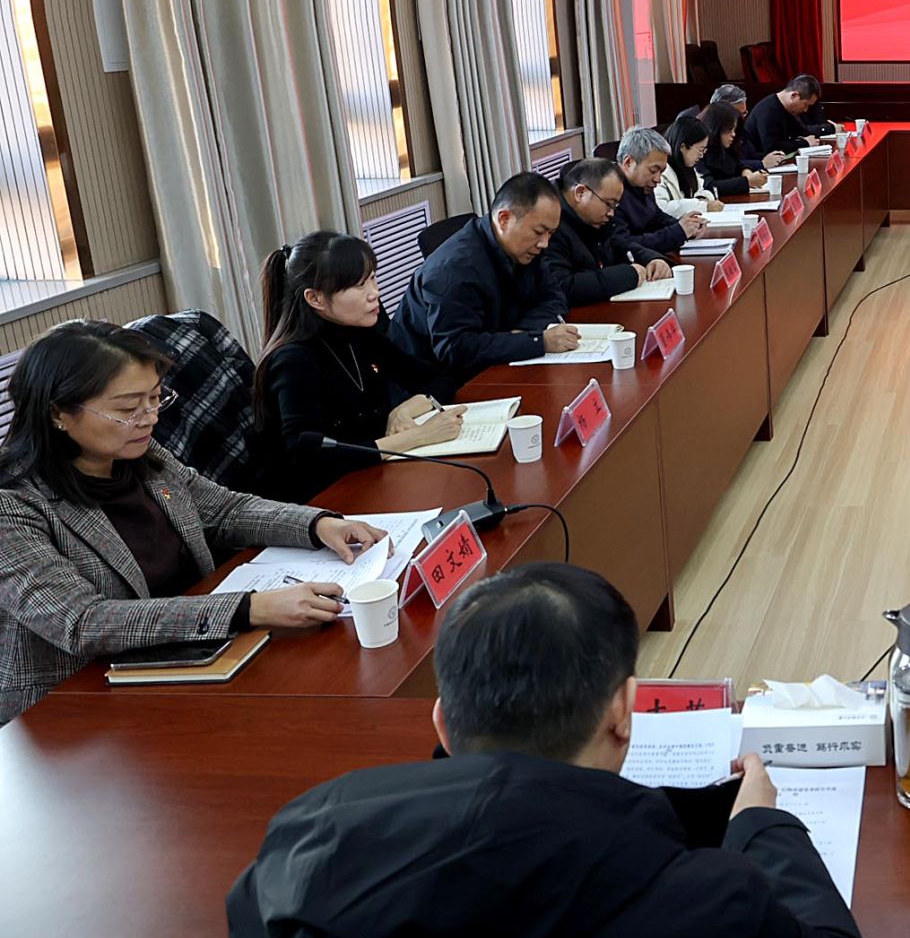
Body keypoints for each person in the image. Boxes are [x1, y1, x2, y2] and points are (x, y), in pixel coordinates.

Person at [226, 563, 874, 938]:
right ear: (623, 712)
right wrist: (763, 827)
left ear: (444, 725)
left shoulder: (295, 858)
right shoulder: (711, 906)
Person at [0, 321, 387, 723]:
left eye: (155, 399)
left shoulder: (141, 456)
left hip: (192, 662)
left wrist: (317, 524)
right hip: (74, 708)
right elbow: (83, 622)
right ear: (59, 412)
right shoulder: (12, 503)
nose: (149, 418)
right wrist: (248, 608)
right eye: (127, 409)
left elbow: (225, 510)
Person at [252, 232, 464, 502]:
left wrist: (404, 409)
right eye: (359, 285)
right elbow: (309, 458)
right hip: (323, 501)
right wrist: (418, 436)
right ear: (315, 298)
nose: (375, 293)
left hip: (374, 477)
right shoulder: (293, 360)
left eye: (373, 278)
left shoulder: (360, 332)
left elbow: (440, 379)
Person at [389, 172, 580, 383]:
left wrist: (520, 336)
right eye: (538, 232)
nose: (545, 243)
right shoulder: (454, 269)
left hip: (493, 364)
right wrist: (536, 341)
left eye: (551, 234)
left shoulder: (526, 250)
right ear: (504, 219)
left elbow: (554, 298)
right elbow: (455, 349)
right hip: (430, 383)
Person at [546, 159, 676, 307]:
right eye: (609, 204)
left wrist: (651, 259)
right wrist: (628, 275)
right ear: (580, 193)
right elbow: (563, 286)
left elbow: (619, 243)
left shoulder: (593, 218)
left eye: (615, 206)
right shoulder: (550, 224)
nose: (611, 213)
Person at [614, 127, 706, 257]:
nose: (658, 179)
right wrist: (677, 232)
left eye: (661, 172)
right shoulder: (610, 192)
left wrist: (686, 225)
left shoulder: (642, 185)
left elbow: (656, 217)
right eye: (653, 171)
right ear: (628, 163)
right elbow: (624, 245)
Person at [746, 75, 831, 159]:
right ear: (794, 95)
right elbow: (772, 148)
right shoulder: (768, 110)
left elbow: (802, 132)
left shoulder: (788, 109)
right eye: (805, 104)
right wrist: (804, 143)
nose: (805, 110)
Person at [702, 101, 771, 197]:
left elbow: (737, 164)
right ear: (716, 128)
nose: (733, 134)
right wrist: (747, 181)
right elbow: (709, 186)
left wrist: (746, 172)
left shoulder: (726, 148)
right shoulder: (700, 152)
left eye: (734, 130)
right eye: (729, 130)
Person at [657, 114, 720, 217]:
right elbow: (662, 208)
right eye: (700, 150)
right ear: (683, 146)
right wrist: (702, 206)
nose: (701, 156)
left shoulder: (688, 168)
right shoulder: (660, 172)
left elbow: (699, 192)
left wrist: (704, 199)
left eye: (704, 150)